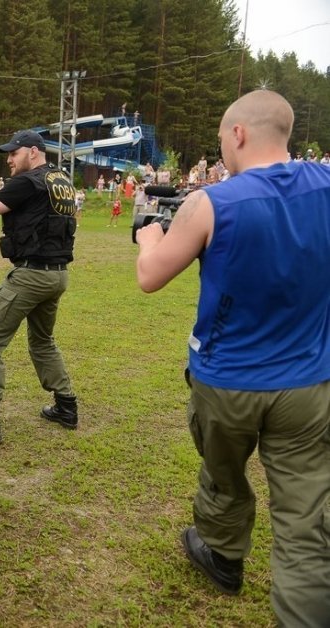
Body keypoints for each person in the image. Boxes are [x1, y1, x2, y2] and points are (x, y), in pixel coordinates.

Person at [134, 90, 330, 626]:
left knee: (223, 473)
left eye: (222, 138)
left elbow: (151, 278)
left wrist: (152, 237)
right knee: (304, 521)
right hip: (308, 384)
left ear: (238, 133)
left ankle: (223, 554)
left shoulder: (211, 203)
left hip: (227, 380)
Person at [0, 129, 78, 444]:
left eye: (13, 153)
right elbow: (14, 200)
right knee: (43, 341)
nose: (8, 159)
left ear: (32, 152)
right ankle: (66, 406)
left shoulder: (27, 181)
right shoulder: (57, 179)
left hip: (32, 275)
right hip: (57, 274)